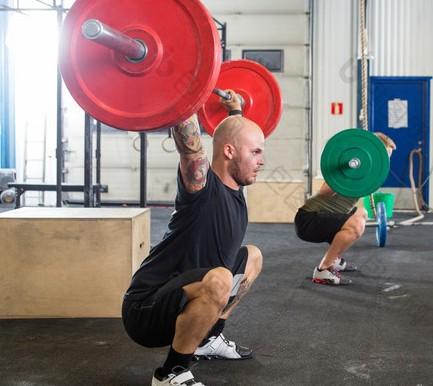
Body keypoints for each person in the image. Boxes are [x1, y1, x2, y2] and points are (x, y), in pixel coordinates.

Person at [122, 90, 265, 386]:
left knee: (252, 256)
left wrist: (234, 111)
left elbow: (234, 136)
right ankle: (170, 373)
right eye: (256, 152)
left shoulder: (235, 189)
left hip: (189, 291)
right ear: (229, 153)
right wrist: (184, 89)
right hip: (146, 309)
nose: (261, 160)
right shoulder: (200, 188)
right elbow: (192, 149)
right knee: (221, 278)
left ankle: (207, 339)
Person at [293, 132, 395, 285]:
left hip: (322, 217)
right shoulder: (348, 169)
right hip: (308, 220)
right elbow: (325, 191)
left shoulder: (367, 174)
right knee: (356, 225)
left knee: (362, 213)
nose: (385, 161)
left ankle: (333, 259)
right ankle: (323, 270)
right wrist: (347, 170)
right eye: (383, 156)